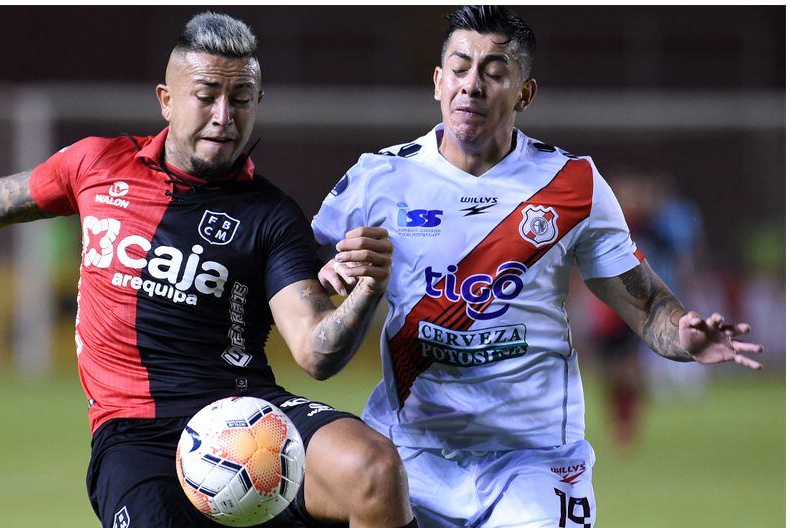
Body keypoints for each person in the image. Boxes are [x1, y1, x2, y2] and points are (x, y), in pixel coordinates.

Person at [0, 12, 417, 528]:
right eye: (206, 95)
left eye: (240, 99)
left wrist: (368, 289)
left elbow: (315, 352)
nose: (223, 115)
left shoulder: (270, 215)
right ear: (166, 99)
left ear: (257, 103)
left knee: (374, 469)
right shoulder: (96, 164)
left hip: (246, 415)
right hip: (137, 435)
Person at [312, 6, 763, 528]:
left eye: (494, 72)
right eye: (459, 69)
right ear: (438, 82)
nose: (472, 85)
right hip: (408, 456)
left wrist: (682, 336)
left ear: (524, 93)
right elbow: (301, 275)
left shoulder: (572, 184)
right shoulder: (378, 177)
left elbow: (644, 304)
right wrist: (328, 278)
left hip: (535, 461)